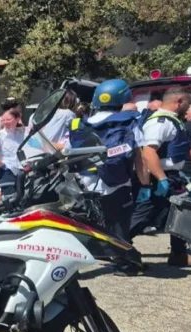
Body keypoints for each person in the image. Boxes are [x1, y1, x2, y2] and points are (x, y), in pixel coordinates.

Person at [68, 79, 142, 275]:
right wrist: (145, 181)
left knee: (82, 224)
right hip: (116, 182)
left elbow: (68, 149)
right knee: (118, 224)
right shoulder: (130, 122)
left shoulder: (77, 123)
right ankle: (123, 264)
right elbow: (139, 154)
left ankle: (71, 264)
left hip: (84, 181)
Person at [130, 86, 191, 267]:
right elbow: (148, 152)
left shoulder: (172, 121)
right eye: (188, 102)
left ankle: (179, 254)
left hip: (170, 175)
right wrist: (161, 179)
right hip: (157, 177)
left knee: (178, 213)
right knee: (143, 216)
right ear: (179, 101)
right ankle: (115, 248)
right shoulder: (161, 122)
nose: (189, 106)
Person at [0, 109, 25, 201]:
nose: (5, 122)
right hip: (6, 170)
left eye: (8, 119)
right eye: (3, 120)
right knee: (10, 198)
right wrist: (3, 166)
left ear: (17, 119)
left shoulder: (22, 133)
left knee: (22, 197)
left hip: (21, 170)